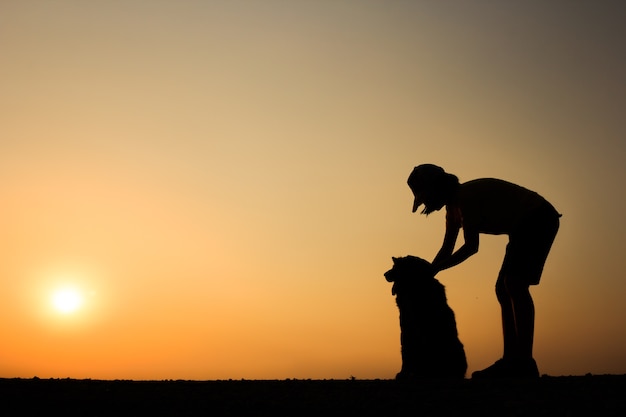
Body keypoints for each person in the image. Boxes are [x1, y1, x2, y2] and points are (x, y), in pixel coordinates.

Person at [407, 164, 560, 378]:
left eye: (426, 197)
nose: (427, 204)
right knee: (503, 289)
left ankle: (524, 363)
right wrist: (428, 273)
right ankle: (511, 360)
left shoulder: (465, 198)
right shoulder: (452, 211)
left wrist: (434, 270)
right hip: (522, 227)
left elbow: (471, 247)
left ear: (436, 189)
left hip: (539, 218)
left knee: (514, 283)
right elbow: (446, 249)